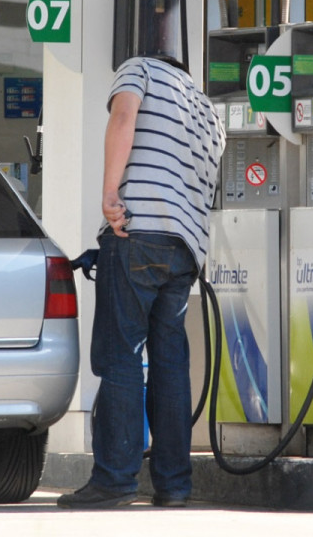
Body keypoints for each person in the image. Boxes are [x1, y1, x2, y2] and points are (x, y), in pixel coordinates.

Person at [57, 53, 225, 510]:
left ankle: (114, 479)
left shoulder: (142, 68)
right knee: (170, 362)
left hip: (136, 233)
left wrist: (110, 193)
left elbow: (124, 115)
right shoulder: (208, 111)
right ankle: (173, 486)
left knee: (121, 356)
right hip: (184, 248)